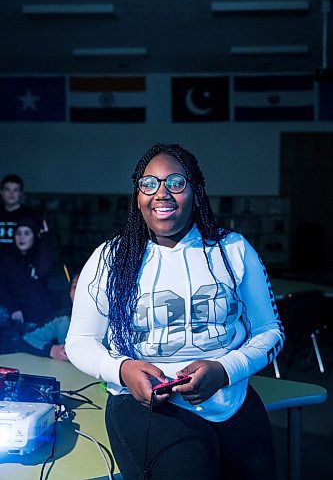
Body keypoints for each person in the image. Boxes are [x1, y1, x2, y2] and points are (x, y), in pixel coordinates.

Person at [66, 143, 284, 480]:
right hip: (145, 405)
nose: (161, 194)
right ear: (138, 195)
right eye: (149, 184)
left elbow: (271, 331)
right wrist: (121, 370)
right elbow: (79, 341)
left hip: (231, 396)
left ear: (196, 192)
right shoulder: (111, 258)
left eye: (176, 183)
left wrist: (226, 369)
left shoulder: (233, 250)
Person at [0, 217, 54, 327]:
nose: (21, 238)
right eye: (18, 233)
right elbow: (2, 288)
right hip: (13, 315)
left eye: (27, 233)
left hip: (38, 318)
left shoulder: (39, 257)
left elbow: (43, 270)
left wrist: (44, 238)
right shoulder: (6, 260)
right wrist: (14, 309)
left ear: (34, 236)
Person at [17, 273, 80, 361]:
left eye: (87, 287)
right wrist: (52, 350)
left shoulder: (105, 323)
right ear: (70, 293)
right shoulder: (62, 319)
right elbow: (26, 339)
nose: (81, 292)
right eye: (75, 286)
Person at [0, 174, 42, 251]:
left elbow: (39, 242)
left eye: (15, 190)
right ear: (1, 192)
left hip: (21, 261)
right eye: (7, 189)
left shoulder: (31, 215)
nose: (11, 194)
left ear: (21, 193)